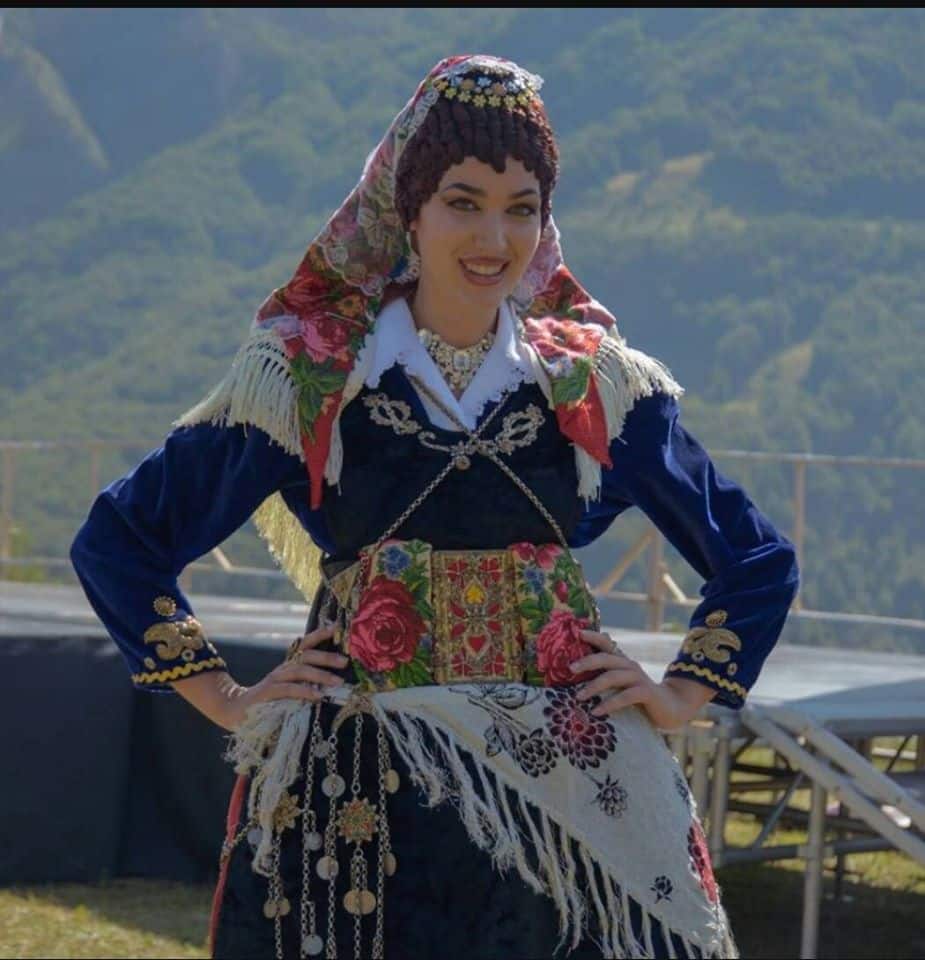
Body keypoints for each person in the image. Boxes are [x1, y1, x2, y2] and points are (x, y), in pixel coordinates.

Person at [71, 54, 799, 960]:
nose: (493, 236)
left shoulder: (593, 384)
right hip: (357, 795)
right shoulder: (310, 375)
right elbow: (120, 541)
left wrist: (681, 692)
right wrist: (224, 698)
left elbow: (755, 558)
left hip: (561, 804)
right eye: (463, 202)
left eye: (521, 208)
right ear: (406, 209)